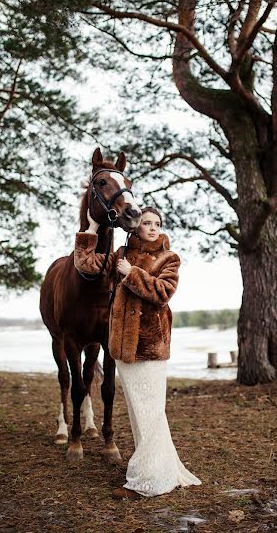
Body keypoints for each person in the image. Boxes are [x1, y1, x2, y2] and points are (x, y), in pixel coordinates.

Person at [74, 206, 201, 499]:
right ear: (136, 227)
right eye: (147, 223)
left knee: (151, 413)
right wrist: (91, 230)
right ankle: (161, 468)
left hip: (151, 347)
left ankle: (149, 481)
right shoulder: (120, 254)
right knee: (138, 413)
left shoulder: (169, 258)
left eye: (157, 223)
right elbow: (86, 265)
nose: (153, 227)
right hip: (122, 349)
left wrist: (132, 274)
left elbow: (162, 293)